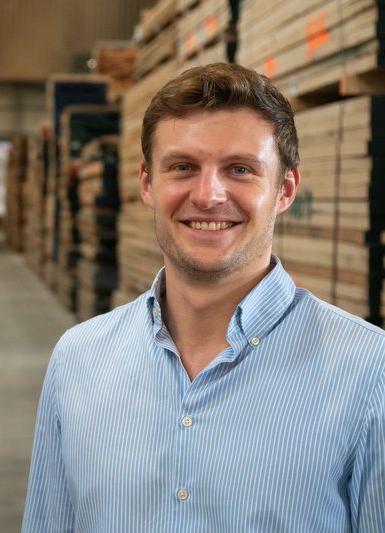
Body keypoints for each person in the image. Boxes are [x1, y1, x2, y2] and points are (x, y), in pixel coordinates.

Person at [22, 63, 385, 531]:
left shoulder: (370, 374)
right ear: (148, 184)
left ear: (285, 190)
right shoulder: (78, 359)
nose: (209, 195)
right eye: (183, 167)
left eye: (239, 169)